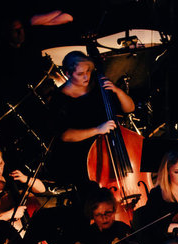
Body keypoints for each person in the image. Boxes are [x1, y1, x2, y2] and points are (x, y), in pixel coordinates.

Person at [48, 51, 136, 186]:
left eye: (88, 71)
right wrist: (98, 129)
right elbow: (65, 135)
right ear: (67, 74)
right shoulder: (59, 99)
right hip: (81, 155)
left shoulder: (98, 84)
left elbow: (130, 108)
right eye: (80, 74)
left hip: (110, 146)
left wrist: (117, 91)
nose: (86, 77)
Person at [0, 144, 46, 234]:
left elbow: (42, 189)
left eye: (0, 163)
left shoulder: (11, 172)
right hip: (11, 232)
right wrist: (9, 214)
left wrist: (26, 179)